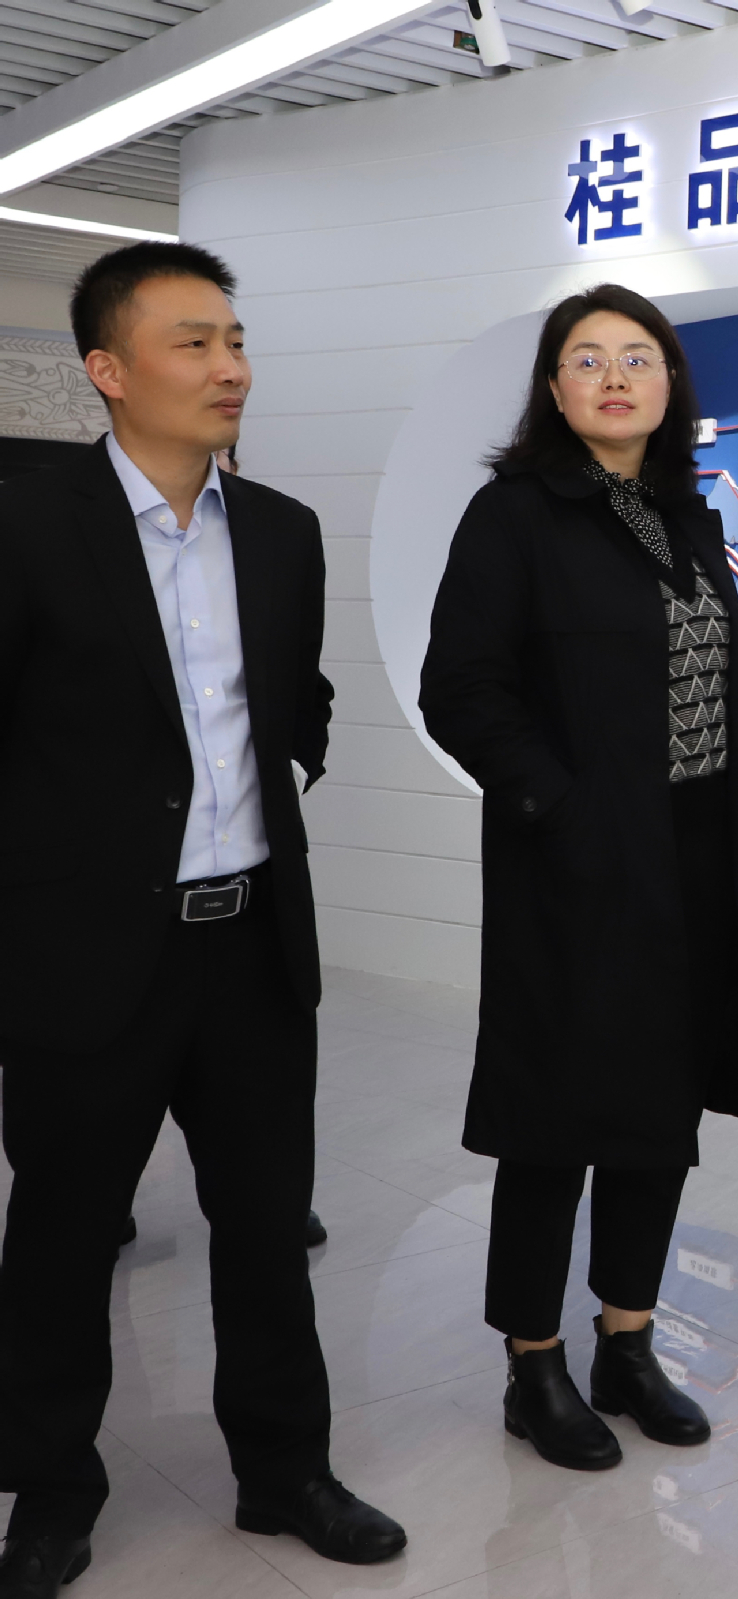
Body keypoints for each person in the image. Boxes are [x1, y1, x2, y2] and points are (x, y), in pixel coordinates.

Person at [0, 243, 406, 1597]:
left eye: (235, 340)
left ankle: (285, 1468)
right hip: (86, 951)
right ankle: (50, 1490)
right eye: (193, 342)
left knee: (266, 1226)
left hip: (251, 946)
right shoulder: (26, 524)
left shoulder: (281, 530)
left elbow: (298, 697)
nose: (229, 367)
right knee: (63, 1236)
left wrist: (287, 763)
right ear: (107, 370)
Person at [420, 284, 738, 1472]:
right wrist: (565, 810)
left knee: (657, 1115)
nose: (614, 378)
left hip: (690, 866)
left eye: (637, 358)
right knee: (554, 1120)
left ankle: (626, 1343)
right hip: (573, 869)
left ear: (669, 384)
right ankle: (532, 1365)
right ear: (553, 387)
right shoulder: (515, 515)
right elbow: (461, 690)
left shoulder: (686, 518)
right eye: (586, 359)